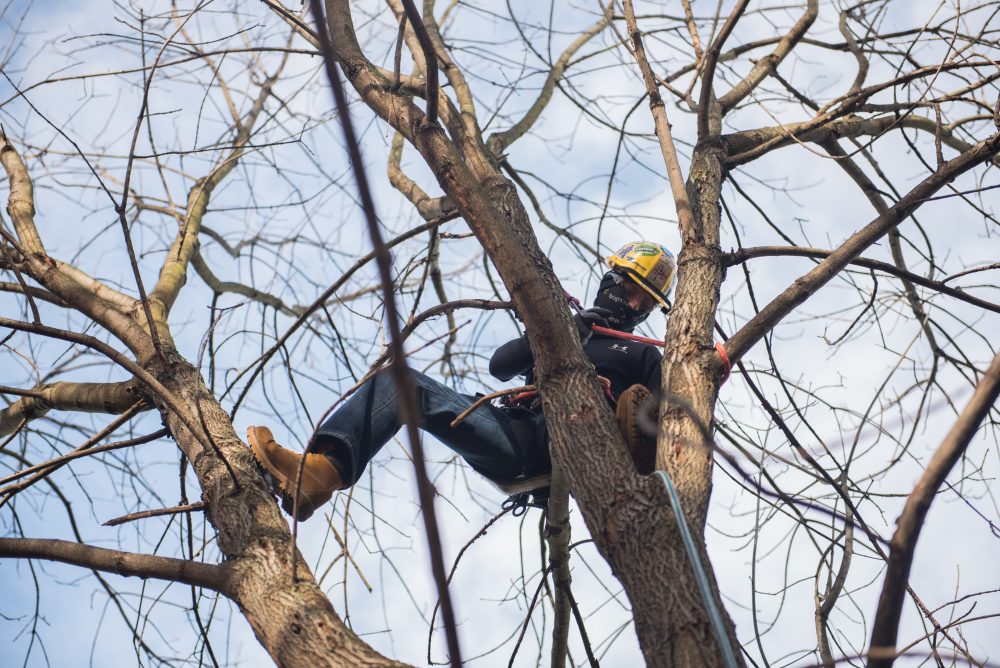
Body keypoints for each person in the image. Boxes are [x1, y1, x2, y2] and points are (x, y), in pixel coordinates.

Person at [247, 241, 677, 520]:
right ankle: (318, 475)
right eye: (631, 288)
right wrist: (568, 332)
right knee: (400, 383)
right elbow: (501, 365)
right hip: (518, 437)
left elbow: (664, 422)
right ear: (610, 281)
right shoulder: (563, 332)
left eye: (645, 303)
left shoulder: (641, 353)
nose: (635, 304)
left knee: (634, 411)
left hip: (589, 445)